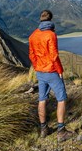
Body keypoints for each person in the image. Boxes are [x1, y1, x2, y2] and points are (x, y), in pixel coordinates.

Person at [28, 9, 74, 141]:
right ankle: (61, 130)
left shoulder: (33, 35)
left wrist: (37, 67)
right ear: (51, 20)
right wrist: (60, 71)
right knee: (62, 98)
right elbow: (54, 56)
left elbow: (31, 55)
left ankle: (44, 129)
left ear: (41, 19)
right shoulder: (51, 35)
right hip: (51, 71)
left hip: (40, 72)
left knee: (42, 99)